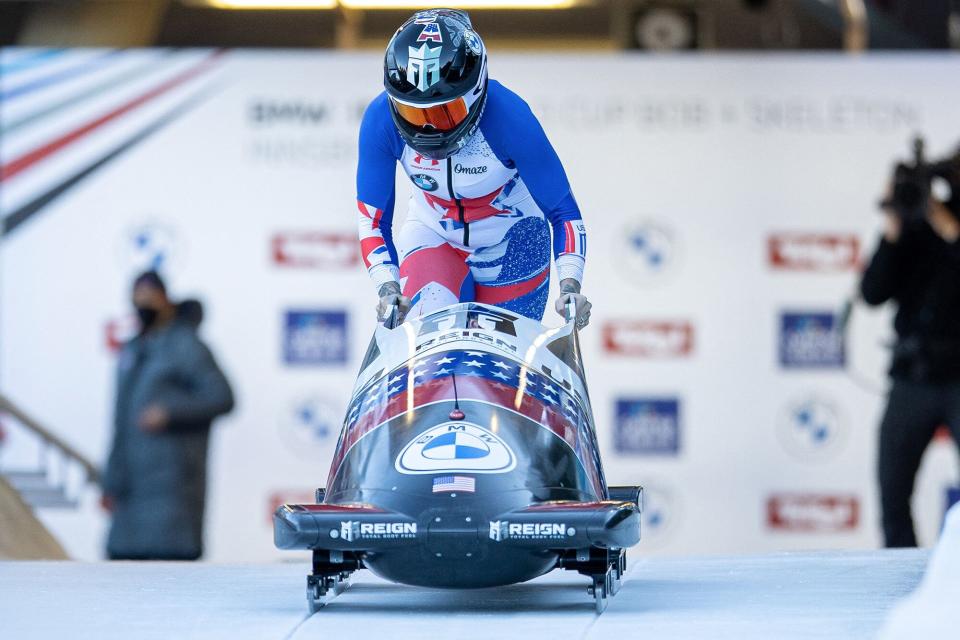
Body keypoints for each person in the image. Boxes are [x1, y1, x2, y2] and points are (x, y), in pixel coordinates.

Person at [356, 8, 591, 328]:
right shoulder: (380, 121)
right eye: (413, 113)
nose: (428, 131)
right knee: (431, 350)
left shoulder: (511, 118)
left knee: (501, 373)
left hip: (515, 246)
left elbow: (563, 212)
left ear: (475, 92)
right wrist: (388, 288)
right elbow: (373, 219)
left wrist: (570, 286)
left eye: (445, 114)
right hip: (433, 235)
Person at [860, 163, 960, 547]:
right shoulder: (907, 230)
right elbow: (872, 293)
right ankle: (900, 584)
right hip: (911, 378)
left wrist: (942, 219)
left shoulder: (950, 221)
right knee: (892, 493)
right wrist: (892, 225)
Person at [101, 271, 234, 560]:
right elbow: (120, 420)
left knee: (172, 578)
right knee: (123, 578)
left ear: (166, 299)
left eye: (150, 295)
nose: (143, 302)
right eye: (137, 296)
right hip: (130, 489)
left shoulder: (185, 344)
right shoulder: (134, 348)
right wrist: (111, 479)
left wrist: (170, 413)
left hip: (173, 487)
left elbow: (222, 397)